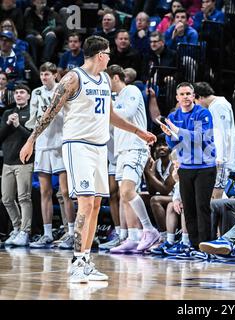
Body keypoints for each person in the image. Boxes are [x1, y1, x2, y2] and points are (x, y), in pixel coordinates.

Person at [19, 35, 157, 284]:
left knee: (94, 204)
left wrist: (138, 131)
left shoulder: (104, 79)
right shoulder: (73, 78)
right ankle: (77, 262)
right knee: (85, 202)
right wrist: (31, 140)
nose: (109, 58)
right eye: (108, 54)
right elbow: (51, 112)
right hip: (78, 146)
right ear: (100, 55)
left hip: (99, 147)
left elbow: (110, 115)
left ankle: (85, 259)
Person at [104, 64, 160, 254]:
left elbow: (125, 114)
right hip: (121, 151)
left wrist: (105, 109)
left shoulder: (131, 90)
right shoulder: (116, 98)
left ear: (116, 77)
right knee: (124, 196)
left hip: (135, 148)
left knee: (128, 191)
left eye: (107, 79)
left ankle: (150, 230)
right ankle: (133, 237)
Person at [159, 81, 216, 259]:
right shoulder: (174, 116)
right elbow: (174, 144)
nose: (185, 97)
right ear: (177, 98)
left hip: (205, 167)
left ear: (193, 96)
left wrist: (176, 130)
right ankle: (193, 246)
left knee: (202, 206)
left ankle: (205, 246)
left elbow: (200, 138)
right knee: (188, 208)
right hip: (185, 167)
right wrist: (169, 135)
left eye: (188, 94)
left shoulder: (202, 113)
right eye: (182, 94)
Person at [26, 62, 75, 249]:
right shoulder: (37, 93)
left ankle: (70, 232)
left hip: (60, 143)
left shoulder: (63, 89)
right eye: (42, 74)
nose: (44, 77)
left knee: (64, 191)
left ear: (55, 75)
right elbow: (32, 120)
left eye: (47, 74)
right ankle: (47, 234)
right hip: (42, 144)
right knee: (44, 191)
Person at [0, 84, 33, 247]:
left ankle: (25, 232)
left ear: (28, 96)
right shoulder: (8, 112)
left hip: (24, 162)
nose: (19, 95)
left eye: (22, 92)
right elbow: (0, 136)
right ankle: (16, 227)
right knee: (6, 198)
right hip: (7, 162)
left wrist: (17, 125)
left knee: (24, 197)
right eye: (17, 93)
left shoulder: (31, 113)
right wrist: (7, 123)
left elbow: (31, 137)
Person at [194, 81, 235, 199]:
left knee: (215, 198)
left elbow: (222, 134)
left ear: (200, 97)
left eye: (195, 101)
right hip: (214, 159)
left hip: (220, 160)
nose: (196, 105)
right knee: (211, 198)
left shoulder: (219, 106)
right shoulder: (214, 106)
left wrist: (220, 158)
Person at [24, 0, 64, 65]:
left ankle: (44, 62)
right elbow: (27, 28)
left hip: (48, 37)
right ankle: (33, 63)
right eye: (40, 2)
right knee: (30, 37)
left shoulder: (51, 13)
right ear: (34, 3)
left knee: (51, 36)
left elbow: (60, 26)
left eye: (44, 2)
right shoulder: (30, 13)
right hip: (35, 37)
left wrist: (53, 31)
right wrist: (36, 34)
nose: (43, 5)